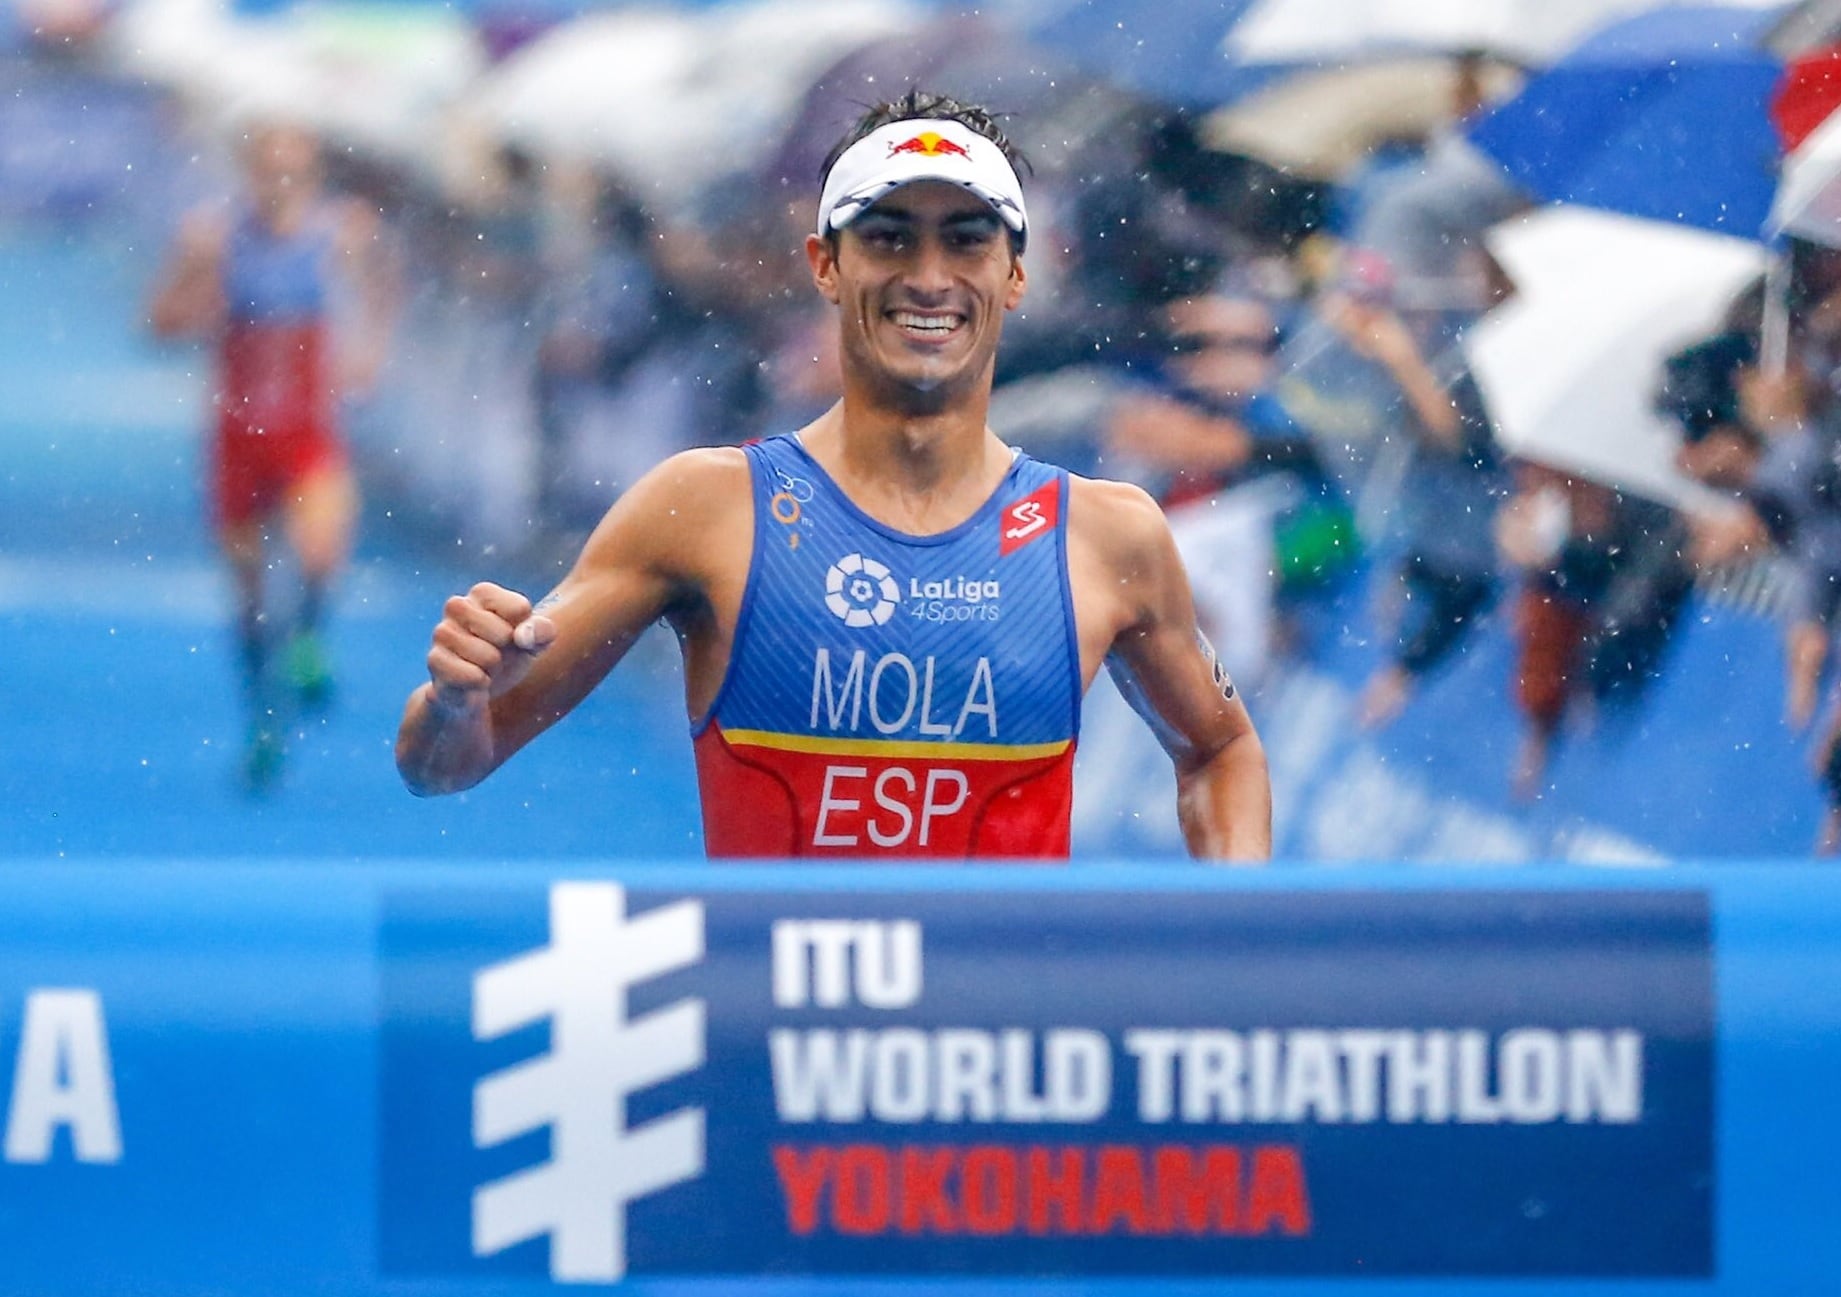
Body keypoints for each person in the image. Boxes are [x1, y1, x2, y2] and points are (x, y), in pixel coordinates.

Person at [394, 90, 1271, 861]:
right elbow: (446, 765)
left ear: (1012, 277)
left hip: (992, 1044)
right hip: (784, 1039)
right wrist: (454, 702)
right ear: (825, 264)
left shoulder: (1106, 534)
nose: (928, 278)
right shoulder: (705, 508)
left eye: (964, 242)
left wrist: (1237, 926)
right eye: (889, 239)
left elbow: (1221, 750)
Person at [149, 121, 392, 790]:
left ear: (311, 175)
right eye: (269, 170)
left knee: (320, 551)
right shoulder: (215, 236)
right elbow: (158, 321)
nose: (281, 183)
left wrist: (368, 350)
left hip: (308, 431)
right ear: (250, 173)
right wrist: (198, 290)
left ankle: (311, 640)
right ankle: (262, 719)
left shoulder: (340, 231)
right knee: (251, 599)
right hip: (236, 437)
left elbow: (380, 292)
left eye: (295, 170)